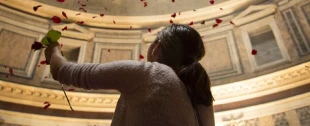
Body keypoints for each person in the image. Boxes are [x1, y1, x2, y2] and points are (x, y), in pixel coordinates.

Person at [45, 24, 215, 126]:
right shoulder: (196, 94)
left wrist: (53, 49)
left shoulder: (149, 73)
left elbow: (63, 71)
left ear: (157, 47)